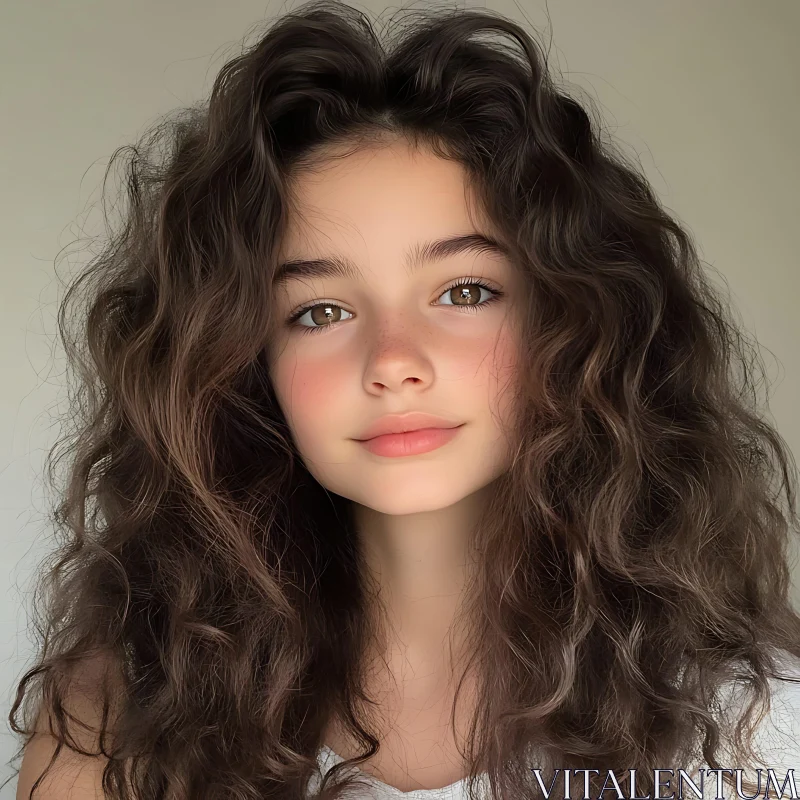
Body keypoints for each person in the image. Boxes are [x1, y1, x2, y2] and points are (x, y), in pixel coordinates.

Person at [9, 1, 800, 798]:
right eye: (320, 312)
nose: (393, 362)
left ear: (575, 318)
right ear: (247, 362)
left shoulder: (757, 727)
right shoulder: (120, 720)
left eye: (463, 291)